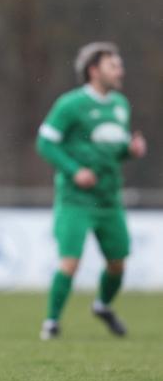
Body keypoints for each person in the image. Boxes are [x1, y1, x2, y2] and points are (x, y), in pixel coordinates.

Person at [36, 42, 146, 340]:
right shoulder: (70, 104)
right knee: (70, 260)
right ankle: (52, 323)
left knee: (117, 262)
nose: (120, 70)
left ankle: (102, 305)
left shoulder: (120, 105)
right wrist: (75, 170)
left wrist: (130, 150)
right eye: (114, 65)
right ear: (94, 70)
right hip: (76, 199)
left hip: (109, 199)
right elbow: (45, 143)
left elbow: (112, 148)